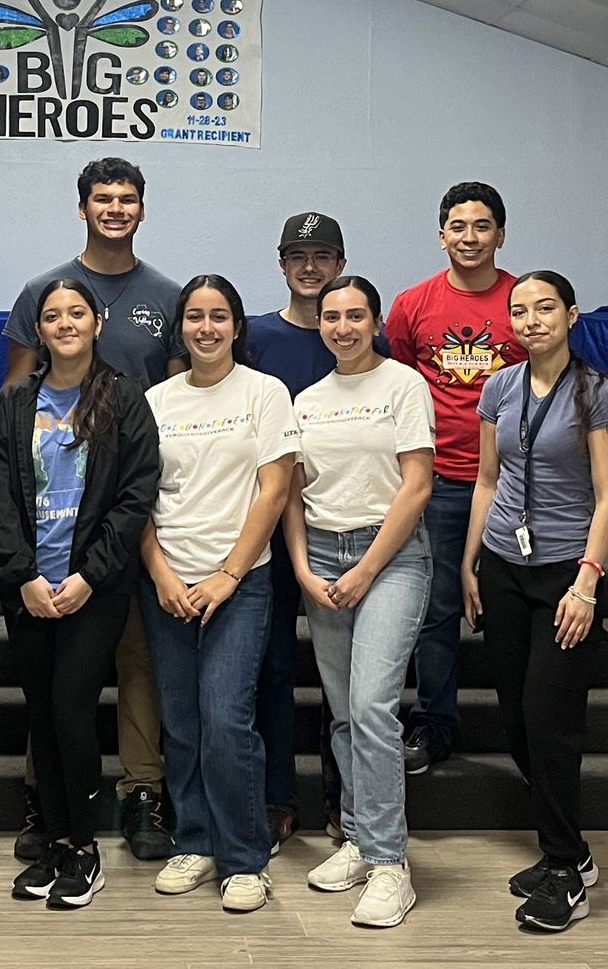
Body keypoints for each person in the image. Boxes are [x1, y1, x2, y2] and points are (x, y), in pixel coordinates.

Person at [1, 157, 183, 863]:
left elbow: (174, 404)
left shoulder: (165, 294)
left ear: (142, 208)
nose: (114, 208)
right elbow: (17, 404)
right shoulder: (39, 290)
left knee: (136, 656)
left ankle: (141, 792)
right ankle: (42, 799)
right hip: (48, 523)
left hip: (128, 517)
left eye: (127, 198)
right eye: (102, 198)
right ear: (82, 207)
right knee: (50, 678)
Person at [0, 280, 161, 910]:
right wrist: (23, 576)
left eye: (76, 313)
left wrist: (88, 576)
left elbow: (136, 496)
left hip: (95, 588)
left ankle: (85, 850)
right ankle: (55, 843)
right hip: (28, 589)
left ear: (97, 321)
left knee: (70, 710)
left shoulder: (124, 398)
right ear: (40, 326)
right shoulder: (13, 402)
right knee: (42, 714)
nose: (64, 324)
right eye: (52, 315)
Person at [462, 270, 608, 932]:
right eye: (520, 310)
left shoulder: (597, 392)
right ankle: (574, 852)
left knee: (548, 717)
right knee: (515, 718)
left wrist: (588, 580)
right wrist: (470, 564)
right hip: (503, 565)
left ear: (571, 313)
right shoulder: (499, 386)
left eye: (545, 307)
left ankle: (565, 871)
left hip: (565, 571)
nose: (532, 320)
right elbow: (485, 479)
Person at [141, 275, 297, 914]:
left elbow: (274, 489)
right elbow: (137, 502)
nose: (206, 328)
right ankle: (196, 841)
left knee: (227, 719)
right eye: (195, 317)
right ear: (180, 326)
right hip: (169, 581)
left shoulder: (265, 393)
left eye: (220, 317)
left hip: (240, 581)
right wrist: (163, 576)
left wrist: (229, 574)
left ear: (237, 326)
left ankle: (244, 858)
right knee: (181, 722)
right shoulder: (155, 401)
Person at [283, 276, 434, 928]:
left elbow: (417, 486)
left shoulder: (403, 385)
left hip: (391, 555)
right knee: (343, 712)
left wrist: (368, 568)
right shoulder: (307, 399)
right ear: (320, 323)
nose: (343, 326)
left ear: (375, 320)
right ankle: (359, 842)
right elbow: (291, 492)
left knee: (373, 705)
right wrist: (302, 569)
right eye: (332, 316)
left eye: (355, 315)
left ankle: (392, 865)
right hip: (321, 558)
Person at [244, 210, 385, 848]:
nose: (309, 266)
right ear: (281, 264)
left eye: (322, 255)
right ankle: (278, 799)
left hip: (342, 528)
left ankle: (344, 804)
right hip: (268, 526)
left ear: (340, 262)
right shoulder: (253, 337)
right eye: (297, 255)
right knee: (273, 667)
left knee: (345, 682)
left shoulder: (358, 340)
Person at [386, 181, 526, 774]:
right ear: (442, 234)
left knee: (518, 605)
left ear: (500, 234)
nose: (470, 237)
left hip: (519, 480)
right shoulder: (412, 305)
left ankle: (528, 728)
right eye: (458, 226)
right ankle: (435, 722)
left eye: (482, 226)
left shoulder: (526, 301)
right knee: (438, 606)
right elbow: (392, 388)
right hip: (440, 479)